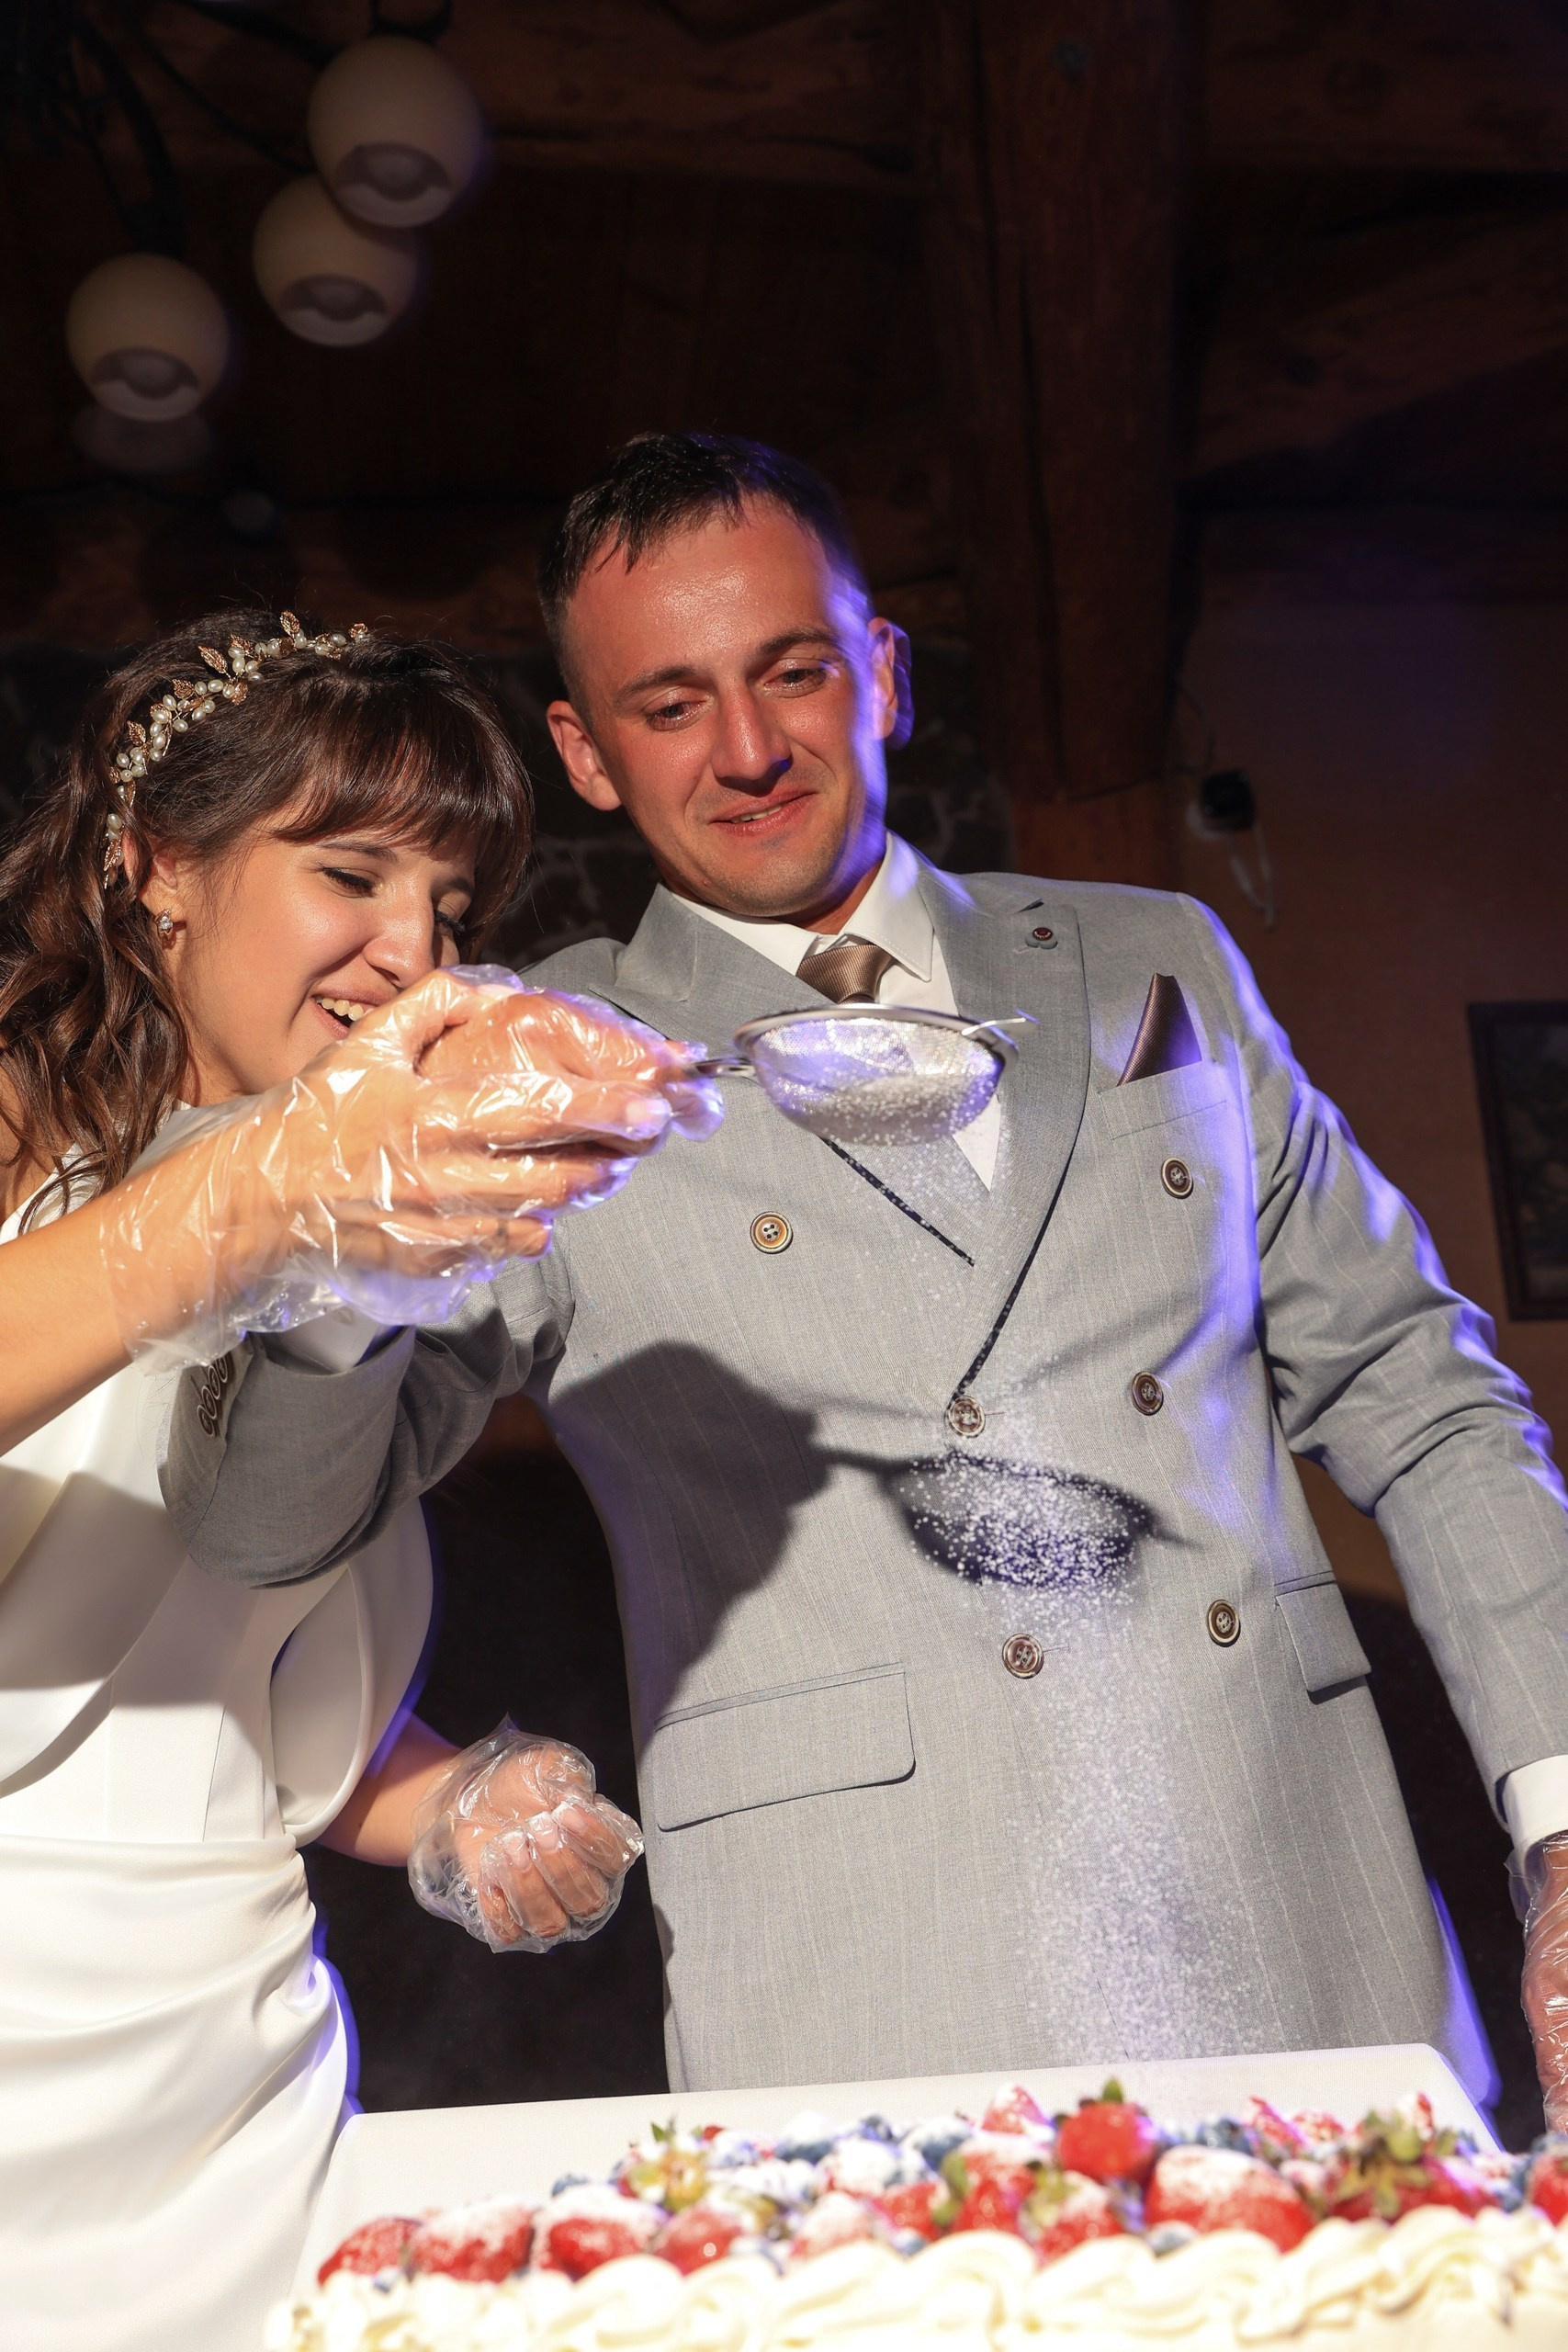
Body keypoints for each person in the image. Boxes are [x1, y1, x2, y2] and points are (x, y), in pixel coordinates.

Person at [164, 440, 1568, 2120]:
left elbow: (1422, 1395)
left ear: (885, 672)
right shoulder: (527, 1067)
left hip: (1296, 1920)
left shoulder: (1156, 958)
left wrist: (1564, 1829)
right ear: (588, 752)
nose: (749, 750)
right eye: (670, 704)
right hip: (863, 1979)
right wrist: (356, 1239)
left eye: (794, 672)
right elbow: (270, 1529)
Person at [0, 611, 698, 2352]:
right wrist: (255, 1197)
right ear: (160, 869)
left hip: (232, 2059)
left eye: (451, 907)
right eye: (351, 873)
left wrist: (437, 1793)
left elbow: (212, 1633)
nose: (412, 950)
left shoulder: (391, 1233)